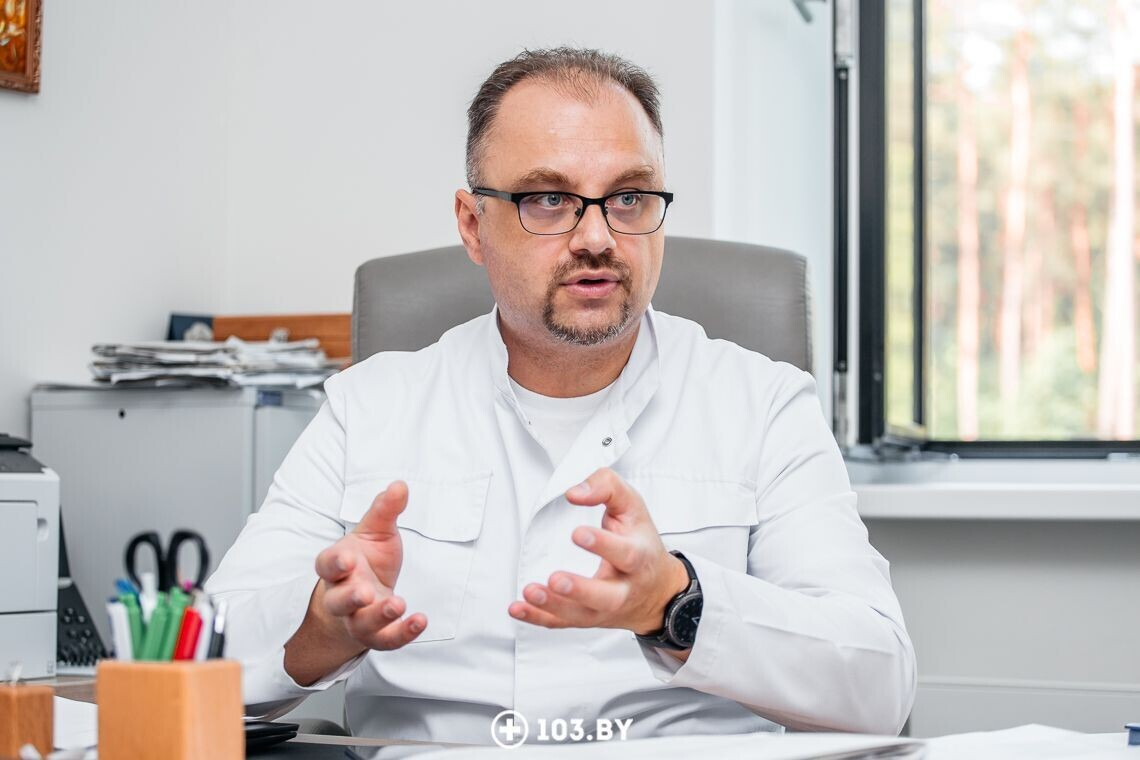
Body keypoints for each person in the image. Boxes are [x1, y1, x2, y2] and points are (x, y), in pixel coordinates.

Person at [206, 47, 916, 744]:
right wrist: (319, 630)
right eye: (549, 200)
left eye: (629, 197)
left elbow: (878, 684)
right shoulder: (367, 408)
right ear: (472, 224)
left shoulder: (762, 404)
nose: (597, 237)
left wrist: (676, 603)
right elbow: (203, 664)